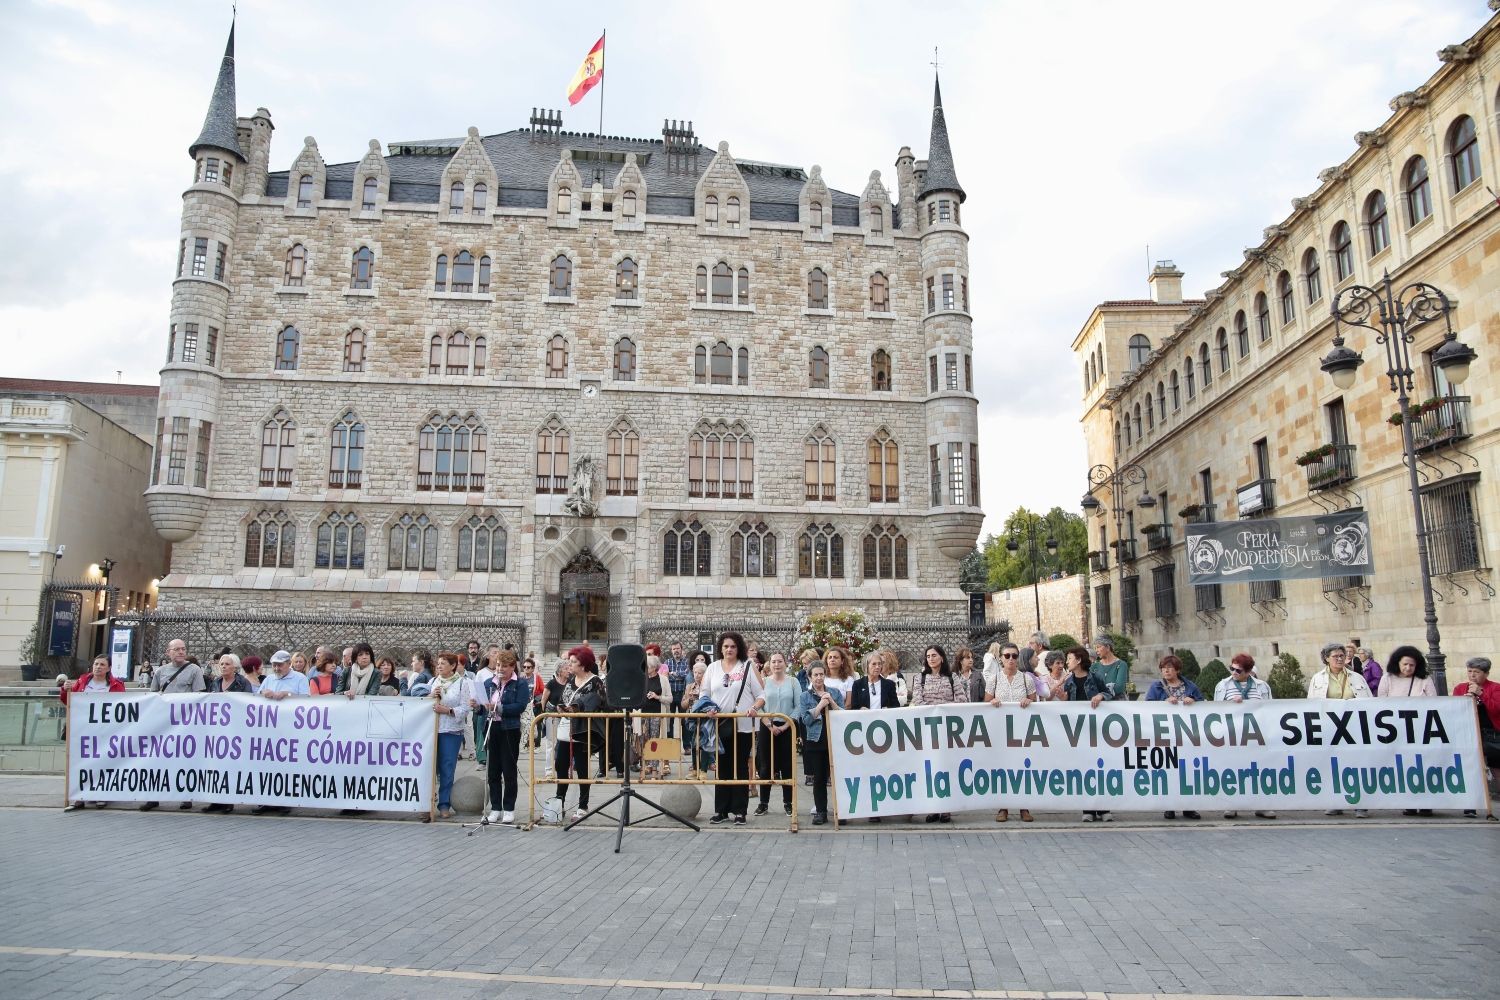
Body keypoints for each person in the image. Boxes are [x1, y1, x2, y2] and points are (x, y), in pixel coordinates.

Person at [703, 632, 765, 825]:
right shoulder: (712, 668)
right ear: (720, 648)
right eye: (725, 646)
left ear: (739, 648)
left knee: (739, 766)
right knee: (722, 767)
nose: (729, 650)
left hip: (742, 725)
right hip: (720, 725)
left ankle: (740, 810)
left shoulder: (747, 666)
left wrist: (754, 708)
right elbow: (704, 694)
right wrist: (708, 709)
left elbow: (762, 694)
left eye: (733, 647)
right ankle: (721, 810)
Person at [137, 639, 205, 812]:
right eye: (177, 649)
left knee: (184, 761)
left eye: (183, 649)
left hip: (186, 723)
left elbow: (199, 695)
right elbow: (153, 696)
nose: (181, 652)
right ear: (168, 652)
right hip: (164, 723)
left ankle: (186, 796)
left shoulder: (194, 670)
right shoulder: (161, 671)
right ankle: (154, 797)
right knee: (158, 761)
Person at [1309, 642, 1371, 817]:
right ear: (1326, 659)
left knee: (1357, 765)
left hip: (1355, 729)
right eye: (1335, 656)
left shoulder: (1357, 678)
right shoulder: (1318, 679)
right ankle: (1336, 802)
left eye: (1342, 655)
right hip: (1330, 729)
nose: (1339, 658)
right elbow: (1311, 705)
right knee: (1334, 765)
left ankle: (1360, 804)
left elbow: (1369, 701)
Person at [1214, 653, 1276, 819]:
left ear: (1248, 671)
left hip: (1257, 736)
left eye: (1238, 670)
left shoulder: (1261, 686)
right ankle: (1231, 805)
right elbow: (1214, 710)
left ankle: (1261, 805)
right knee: (1232, 770)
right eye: (1232, 668)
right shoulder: (1223, 685)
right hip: (1232, 735)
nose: (1234, 672)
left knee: (1259, 770)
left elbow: (1270, 708)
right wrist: (1230, 704)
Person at [62, 655, 126, 810]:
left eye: (102, 664)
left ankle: (101, 794)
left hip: (104, 731)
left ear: (109, 668)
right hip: (82, 729)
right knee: (81, 762)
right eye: (96, 664)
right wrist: (64, 690)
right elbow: (68, 701)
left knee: (103, 762)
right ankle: (79, 797)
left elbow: (123, 706)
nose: (98, 667)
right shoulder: (82, 681)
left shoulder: (116, 685)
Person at [984, 642, 1038, 823]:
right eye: (1007, 656)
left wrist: (1028, 701)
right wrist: (993, 702)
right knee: (1002, 768)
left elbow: (1034, 702)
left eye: (1014, 656)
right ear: (1001, 658)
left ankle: (1024, 807)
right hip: (1001, 731)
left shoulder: (1026, 679)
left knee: (1023, 767)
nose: (1011, 659)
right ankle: (1003, 807)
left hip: (1022, 730)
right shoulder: (994, 679)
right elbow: (985, 703)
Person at [1146, 655, 1203, 820]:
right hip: (1165, 736)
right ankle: (1169, 806)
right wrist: (1163, 702)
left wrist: (1193, 700)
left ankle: (1188, 807)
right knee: (1169, 771)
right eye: (1163, 668)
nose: (1166, 670)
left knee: (1187, 771)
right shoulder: (1156, 687)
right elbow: (1146, 707)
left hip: (1186, 736)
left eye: (1169, 668)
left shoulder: (1190, 686)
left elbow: (1202, 703)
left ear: (1177, 670)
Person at [1059, 645, 1113, 821]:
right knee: (1084, 768)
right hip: (1078, 731)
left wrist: (1100, 696)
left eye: (1070, 658)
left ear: (1079, 660)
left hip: (1096, 729)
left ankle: (1104, 808)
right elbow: (1067, 703)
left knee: (1099, 766)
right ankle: (1088, 808)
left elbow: (1110, 693)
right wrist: (1063, 698)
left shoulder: (1094, 677)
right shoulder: (1069, 681)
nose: (1067, 662)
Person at [912, 645, 962, 823]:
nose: (931, 658)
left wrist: (943, 710)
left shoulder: (952, 677)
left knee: (946, 768)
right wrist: (933, 711)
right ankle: (932, 807)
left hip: (947, 729)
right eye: (928, 656)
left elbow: (961, 699)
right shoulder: (920, 678)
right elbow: (917, 699)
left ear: (941, 657)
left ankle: (946, 807)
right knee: (930, 768)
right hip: (927, 730)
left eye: (934, 655)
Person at [554, 646, 604, 822]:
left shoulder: (595, 681)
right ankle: (558, 802)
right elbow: (563, 700)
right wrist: (560, 708)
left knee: (582, 768)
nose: (570, 665)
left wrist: (578, 708)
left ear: (583, 664)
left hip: (583, 731)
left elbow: (598, 703)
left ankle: (583, 806)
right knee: (560, 766)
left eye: (573, 662)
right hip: (565, 729)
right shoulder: (570, 681)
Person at [482, 649, 528, 825]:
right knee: (492, 771)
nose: (500, 668)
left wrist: (498, 707)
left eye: (505, 666)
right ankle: (495, 808)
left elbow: (520, 706)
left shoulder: (519, 684)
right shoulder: (489, 683)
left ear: (512, 667)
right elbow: (483, 708)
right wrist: (478, 706)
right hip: (492, 727)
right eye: (499, 664)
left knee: (508, 770)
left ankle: (509, 808)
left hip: (509, 729)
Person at [755, 652, 800, 817]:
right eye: (773, 662)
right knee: (766, 765)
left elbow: (798, 705)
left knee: (787, 766)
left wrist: (787, 724)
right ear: (770, 664)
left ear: (785, 663)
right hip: (768, 726)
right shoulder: (764, 682)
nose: (776, 664)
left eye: (780, 661)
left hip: (787, 726)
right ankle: (763, 803)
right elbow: (758, 705)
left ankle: (788, 803)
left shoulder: (793, 682)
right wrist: (769, 724)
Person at [1453, 656, 1499, 819]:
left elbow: (1496, 709)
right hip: (1469, 733)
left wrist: (1481, 694)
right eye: (1470, 671)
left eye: (1477, 672)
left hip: (1491, 734)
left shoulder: (1495, 688)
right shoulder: (1460, 688)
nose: (1472, 675)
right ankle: (1470, 805)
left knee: (1495, 768)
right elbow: (1454, 709)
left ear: (1486, 674)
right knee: (1472, 768)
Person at [430, 651, 473, 820]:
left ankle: (444, 804)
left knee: (447, 768)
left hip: (451, 731)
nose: (439, 666)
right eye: (438, 663)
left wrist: (448, 710)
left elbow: (465, 708)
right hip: (432, 731)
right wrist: (430, 696)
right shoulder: (433, 682)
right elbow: (422, 704)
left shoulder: (462, 683)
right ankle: (427, 802)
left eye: (443, 663)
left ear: (453, 666)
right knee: (431, 768)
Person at [799, 662, 843, 825]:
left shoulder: (835, 693)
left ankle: (841, 811)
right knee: (819, 778)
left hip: (833, 740)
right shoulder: (805, 696)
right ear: (810, 677)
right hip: (815, 741)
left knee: (836, 778)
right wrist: (819, 705)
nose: (819, 677)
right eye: (815, 675)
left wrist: (831, 701)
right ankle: (821, 811)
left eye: (821, 674)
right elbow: (806, 720)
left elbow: (842, 714)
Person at [540, 659, 571, 779]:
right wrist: (544, 715)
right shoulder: (552, 683)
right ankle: (549, 771)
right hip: (551, 717)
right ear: (559, 671)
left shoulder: (570, 682)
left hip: (566, 718)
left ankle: (564, 770)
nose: (568, 670)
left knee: (565, 745)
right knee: (550, 744)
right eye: (566, 668)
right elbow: (543, 700)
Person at [468, 644, 497, 771]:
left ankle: (494, 761)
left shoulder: (501, 671)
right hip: (483, 709)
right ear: (489, 655)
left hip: (497, 709)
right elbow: (476, 691)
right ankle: (482, 758)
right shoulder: (481, 673)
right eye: (495, 652)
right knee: (481, 732)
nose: (497, 655)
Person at [682, 661, 712, 778]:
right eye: (695, 672)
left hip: (705, 719)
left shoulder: (709, 687)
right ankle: (695, 769)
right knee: (693, 744)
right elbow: (683, 705)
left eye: (700, 673)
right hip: (693, 720)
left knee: (704, 744)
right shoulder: (690, 686)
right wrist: (688, 699)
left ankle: (703, 770)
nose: (697, 675)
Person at [663, 641, 692, 741]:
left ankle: (687, 746)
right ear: (671, 651)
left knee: (684, 720)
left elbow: (687, 675)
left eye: (678, 648)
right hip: (670, 694)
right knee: (669, 720)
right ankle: (670, 743)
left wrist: (673, 674)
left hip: (682, 694)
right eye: (674, 649)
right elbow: (665, 676)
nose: (676, 651)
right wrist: (677, 675)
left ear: (681, 649)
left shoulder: (687, 662)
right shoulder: (667, 662)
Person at [1091, 634, 1129, 701]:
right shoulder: (1094, 666)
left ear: (1108, 647)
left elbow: (1119, 688)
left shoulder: (1121, 665)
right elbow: (1090, 687)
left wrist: (1101, 695)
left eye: (1098, 647)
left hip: (1117, 705)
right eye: (1095, 648)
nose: (1096, 650)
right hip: (1098, 705)